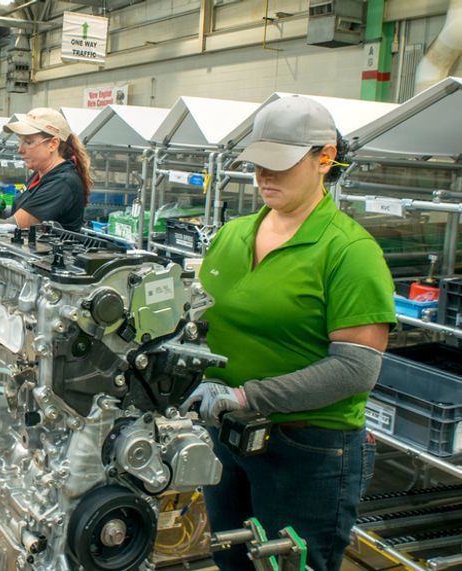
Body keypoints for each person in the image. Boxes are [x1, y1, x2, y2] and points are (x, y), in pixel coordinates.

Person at [181, 96, 395, 571]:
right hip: (227, 435)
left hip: (308, 450)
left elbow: (355, 369)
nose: (264, 177)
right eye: (258, 164)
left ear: (325, 157)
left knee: (290, 567)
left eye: (279, 165)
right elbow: (202, 318)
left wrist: (245, 395)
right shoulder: (233, 234)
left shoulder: (350, 252)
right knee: (233, 558)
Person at [0, 107, 90, 232]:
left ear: (53, 144)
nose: (20, 149)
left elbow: (14, 225)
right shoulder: (39, 174)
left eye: (28, 142)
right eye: (20, 142)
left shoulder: (62, 183)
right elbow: (23, 208)